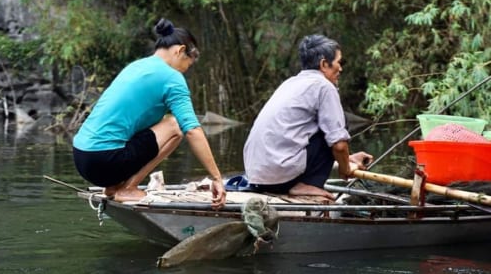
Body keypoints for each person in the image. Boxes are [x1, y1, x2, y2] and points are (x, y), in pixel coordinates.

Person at [72, 18, 226, 208]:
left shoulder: (137, 66)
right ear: (179, 51)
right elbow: (192, 130)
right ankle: (128, 188)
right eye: (188, 64)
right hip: (105, 160)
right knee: (175, 125)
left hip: (81, 157)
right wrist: (216, 178)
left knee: (158, 121)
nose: (185, 71)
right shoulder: (172, 78)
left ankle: (113, 187)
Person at [243, 34, 373, 200]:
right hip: (281, 178)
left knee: (329, 127)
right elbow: (339, 145)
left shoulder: (290, 82)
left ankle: (299, 182)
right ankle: (306, 184)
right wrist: (345, 168)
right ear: (324, 64)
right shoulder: (324, 87)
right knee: (337, 126)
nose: (341, 69)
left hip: (257, 176)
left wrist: (347, 159)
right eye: (339, 62)